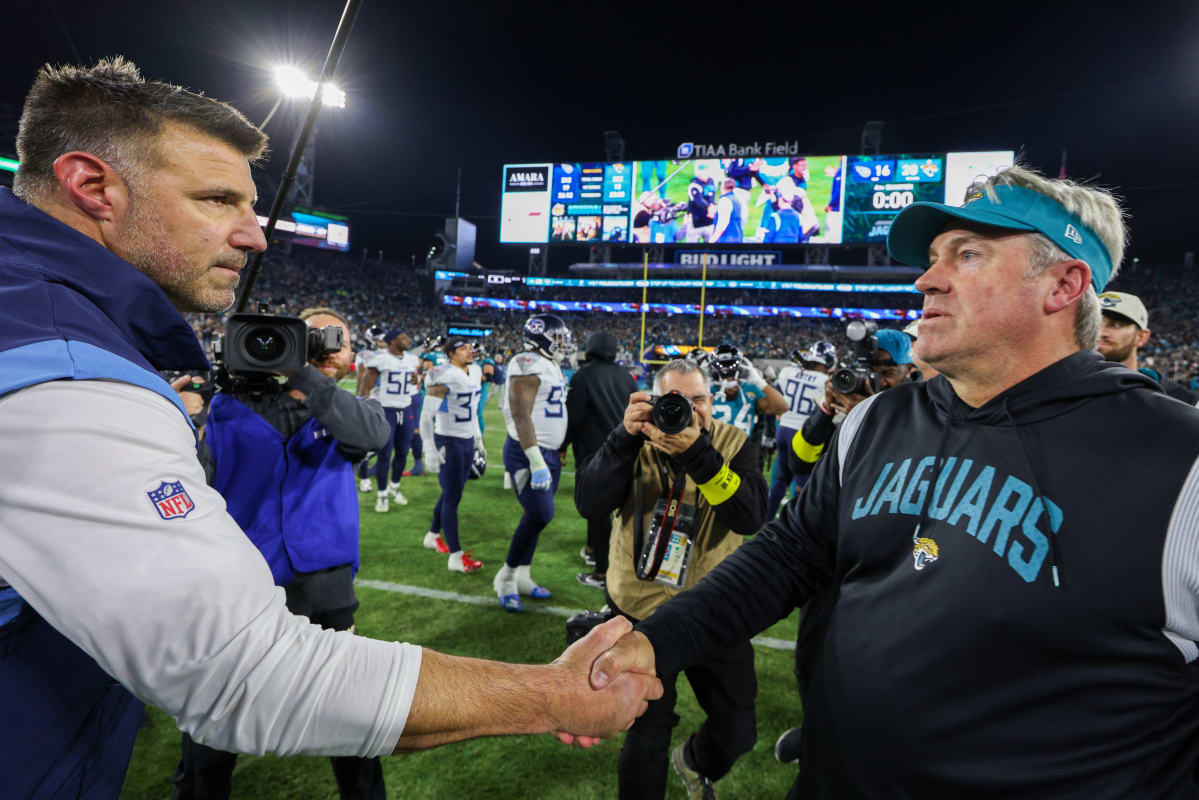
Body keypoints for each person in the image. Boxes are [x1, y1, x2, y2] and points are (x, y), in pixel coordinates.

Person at [0, 57, 661, 800]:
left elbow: (366, 435)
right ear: (93, 186)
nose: (253, 237)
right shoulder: (61, 360)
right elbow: (239, 673)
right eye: (217, 199)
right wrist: (551, 695)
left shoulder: (44, 315)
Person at [587, 165, 1199, 798]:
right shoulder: (880, 418)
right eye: (934, 258)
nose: (927, 279)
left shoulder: (1181, 462)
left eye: (967, 255)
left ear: (1062, 285)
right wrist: (656, 643)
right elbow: (788, 555)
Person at [174, 307, 390, 800]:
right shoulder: (222, 410)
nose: (329, 347)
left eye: (337, 339)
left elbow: (373, 436)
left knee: (354, 732)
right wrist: (174, 417)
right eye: (311, 339)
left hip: (325, 592)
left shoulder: (346, 411)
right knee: (211, 738)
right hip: (239, 593)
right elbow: (183, 489)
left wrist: (305, 377)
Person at [575, 359, 768, 800]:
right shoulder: (633, 440)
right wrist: (623, 438)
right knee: (647, 736)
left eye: (698, 399)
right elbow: (589, 503)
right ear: (653, 401)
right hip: (640, 610)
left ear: (711, 401)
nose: (688, 409)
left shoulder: (733, 443)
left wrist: (696, 453)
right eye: (674, 401)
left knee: (738, 728)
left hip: (712, 605)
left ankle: (695, 761)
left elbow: (750, 516)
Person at [494, 315, 573, 611]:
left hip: (549, 453)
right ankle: (506, 577)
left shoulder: (550, 364)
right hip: (528, 452)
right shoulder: (527, 362)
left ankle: (523, 577)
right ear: (540, 337)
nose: (562, 344)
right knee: (540, 514)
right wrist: (536, 459)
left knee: (536, 518)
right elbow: (520, 414)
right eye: (558, 338)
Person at [566, 331, 639, 589]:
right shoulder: (626, 377)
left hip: (593, 451)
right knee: (616, 508)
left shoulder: (583, 376)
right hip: (625, 448)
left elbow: (573, 419)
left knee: (595, 509)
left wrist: (562, 446)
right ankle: (592, 549)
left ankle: (602, 572)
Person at [421, 337, 486, 572]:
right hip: (449, 440)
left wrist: (477, 437)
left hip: (467, 439)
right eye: (462, 348)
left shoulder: (475, 371)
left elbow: (473, 409)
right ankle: (456, 557)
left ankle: (432, 535)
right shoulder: (444, 375)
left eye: (469, 346)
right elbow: (427, 415)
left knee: (452, 492)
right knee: (452, 498)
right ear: (450, 354)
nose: (469, 350)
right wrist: (429, 447)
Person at [766, 341, 834, 518]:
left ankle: (766, 522)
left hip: (783, 429)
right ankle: (794, 526)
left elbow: (777, 396)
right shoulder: (825, 381)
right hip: (803, 436)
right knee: (802, 485)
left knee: (781, 480)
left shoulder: (788, 372)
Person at [1096, 290, 1197, 403]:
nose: (1100, 333)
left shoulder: (1183, 402)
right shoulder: (1073, 388)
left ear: (1141, 337)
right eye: (1094, 323)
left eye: (1116, 325)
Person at [359, 328, 421, 511]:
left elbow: (412, 380)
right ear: (392, 341)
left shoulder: (411, 359)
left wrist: (415, 379)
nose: (408, 340)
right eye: (403, 337)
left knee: (403, 452)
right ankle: (382, 494)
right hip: (386, 410)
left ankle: (394, 486)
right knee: (385, 454)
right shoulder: (380, 359)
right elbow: (365, 386)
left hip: (405, 408)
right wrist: (367, 411)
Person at [707, 343, 787, 435]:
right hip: (711, 447)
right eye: (724, 373)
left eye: (731, 374)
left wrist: (758, 381)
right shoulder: (707, 390)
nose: (728, 378)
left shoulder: (749, 389)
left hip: (742, 447)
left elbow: (782, 407)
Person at [710, 178, 743, 244]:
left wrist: (713, 238)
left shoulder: (724, 200)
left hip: (727, 238)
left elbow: (723, 223)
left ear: (722, 186)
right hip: (737, 235)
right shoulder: (736, 199)